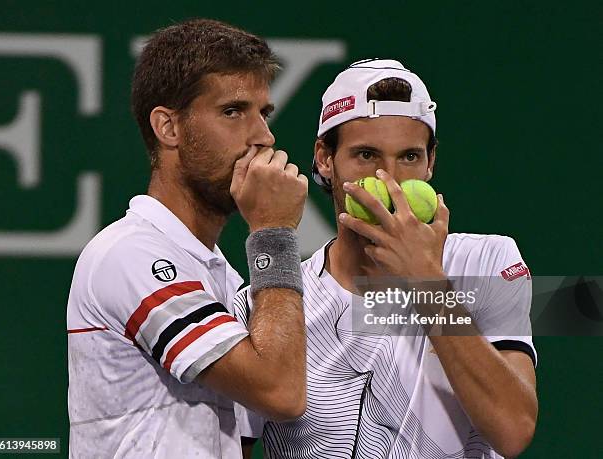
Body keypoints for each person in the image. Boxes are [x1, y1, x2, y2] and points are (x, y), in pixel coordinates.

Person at [235, 59, 538, 458]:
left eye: (409, 157)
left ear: (431, 163)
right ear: (325, 159)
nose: (388, 179)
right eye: (366, 155)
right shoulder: (273, 304)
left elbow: (513, 430)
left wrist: (427, 281)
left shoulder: (487, 262)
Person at [66, 19, 308, 458]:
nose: (263, 137)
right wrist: (273, 233)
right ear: (168, 128)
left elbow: (254, 431)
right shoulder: (129, 253)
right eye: (233, 111)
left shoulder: (221, 278)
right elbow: (280, 392)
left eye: (264, 113)